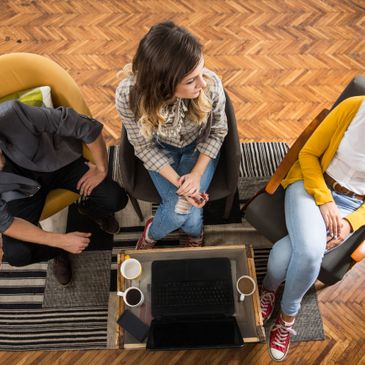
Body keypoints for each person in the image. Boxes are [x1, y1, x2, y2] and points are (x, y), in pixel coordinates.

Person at [260, 96, 365, 361]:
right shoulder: (353, 108)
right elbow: (308, 154)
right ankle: (288, 317)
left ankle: (269, 290)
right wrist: (324, 199)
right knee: (309, 251)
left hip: (351, 208)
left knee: (283, 256)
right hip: (312, 183)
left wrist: (350, 223)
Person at [115, 21, 227, 249]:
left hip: (199, 150)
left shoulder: (211, 85)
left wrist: (195, 175)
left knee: (183, 209)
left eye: (201, 71)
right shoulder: (127, 94)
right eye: (190, 80)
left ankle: (152, 234)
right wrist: (180, 184)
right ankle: (189, 235)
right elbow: (143, 147)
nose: (202, 83)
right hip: (159, 152)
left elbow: (217, 133)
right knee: (185, 211)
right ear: (162, 85)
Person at [0, 100, 128, 285]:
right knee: (17, 255)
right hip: (18, 192)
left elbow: (84, 126)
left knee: (114, 198)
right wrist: (58, 241)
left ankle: (90, 209)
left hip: (57, 163)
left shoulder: (13, 114)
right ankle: (58, 253)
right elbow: (5, 223)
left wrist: (101, 169)